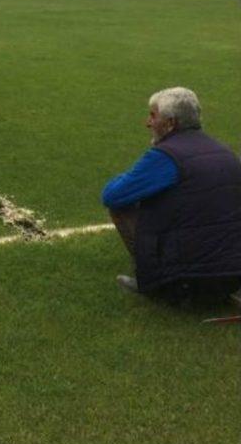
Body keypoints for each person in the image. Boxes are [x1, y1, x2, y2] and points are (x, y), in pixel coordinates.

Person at [102, 87, 241, 305]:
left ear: (171, 123)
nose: (148, 122)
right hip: (233, 278)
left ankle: (150, 278)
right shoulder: (226, 152)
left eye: (153, 115)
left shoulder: (166, 157)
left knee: (122, 206)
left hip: (184, 284)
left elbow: (112, 195)